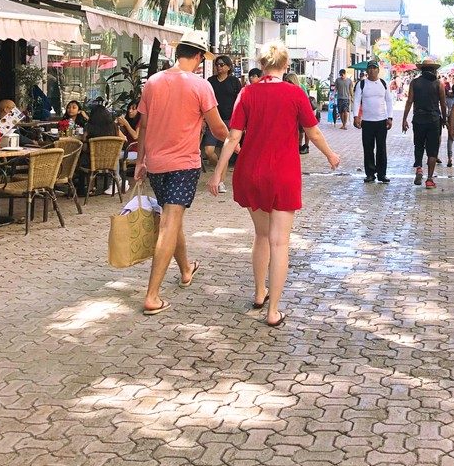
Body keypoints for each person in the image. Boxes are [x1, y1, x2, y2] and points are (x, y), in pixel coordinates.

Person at [208, 41, 340, 327]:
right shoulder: (294, 93)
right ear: (286, 66)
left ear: (263, 65)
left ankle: (259, 294)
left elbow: (232, 137)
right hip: (283, 173)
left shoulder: (248, 93)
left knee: (261, 236)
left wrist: (218, 173)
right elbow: (312, 132)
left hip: (251, 172)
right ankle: (273, 310)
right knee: (280, 242)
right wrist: (330, 154)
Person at [135, 31, 229, 316]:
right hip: (183, 165)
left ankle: (186, 269)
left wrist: (140, 161)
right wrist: (236, 141)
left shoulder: (152, 82)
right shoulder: (201, 86)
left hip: (156, 165)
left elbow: (144, 127)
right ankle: (152, 295)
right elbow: (217, 129)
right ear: (199, 57)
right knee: (169, 224)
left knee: (172, 220)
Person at [402, 57, 446, 189]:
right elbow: (443, 104)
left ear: (422, 70)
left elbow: (409, 101)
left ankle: (419, 168)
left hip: (419, 118)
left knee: (419, 145)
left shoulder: (414, 83)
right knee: (432, 150)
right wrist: (444, 118)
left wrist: (404, 119)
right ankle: (429, 179)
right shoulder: (439, 84)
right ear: (433, 70)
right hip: (433, 119)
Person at [352, 60, 393, 183]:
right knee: (368, 148)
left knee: (381, 148)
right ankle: (370, 173)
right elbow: (357, 100)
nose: (372, 70)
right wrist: (355, 117)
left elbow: (389, 101)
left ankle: (382, 174)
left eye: (374, 68)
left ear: (378, 70)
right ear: (367, 71)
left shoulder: (383, 83)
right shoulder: (362, 84)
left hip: (381, 121)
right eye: (369, 68)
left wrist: (390, 117)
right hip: (367, 121)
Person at [203, 56, 242, 188]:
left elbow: (240, 101)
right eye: (217, 64)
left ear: (228, 67)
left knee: (224, 149)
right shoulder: (210, 81)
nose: (219, 67)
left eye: (222, 64)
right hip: (212, 119)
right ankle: (219, 168)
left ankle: (220, 181)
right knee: (209, 151)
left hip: (229, 120)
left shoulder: (234, 81)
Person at [284, 71, 310, 154]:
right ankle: (298, 145)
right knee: (298, 130)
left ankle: (306, 146)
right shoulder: (286, 89)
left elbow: (306, 100)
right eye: (286, 81)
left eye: (289, 81)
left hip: (302, 112)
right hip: (293, 113)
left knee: (305, 130)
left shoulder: (300, 88)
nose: (287, 83)